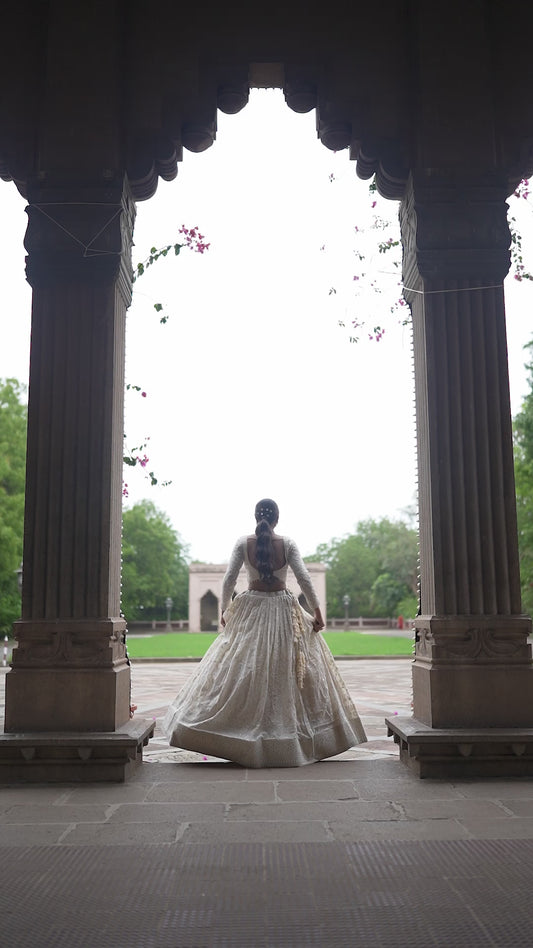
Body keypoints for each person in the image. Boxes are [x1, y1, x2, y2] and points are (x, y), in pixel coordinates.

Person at [163, 498, 367, 767]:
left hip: (251, 607)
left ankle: (239, 734)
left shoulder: (242, 543)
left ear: (255, 516)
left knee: (245, 668)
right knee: (286, 672)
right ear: (277, 519)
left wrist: (225, 611)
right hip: (283, 609)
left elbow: (229, 580)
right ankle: (290, 739)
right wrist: (318, 613)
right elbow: (304, 578)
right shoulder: (288, 543)